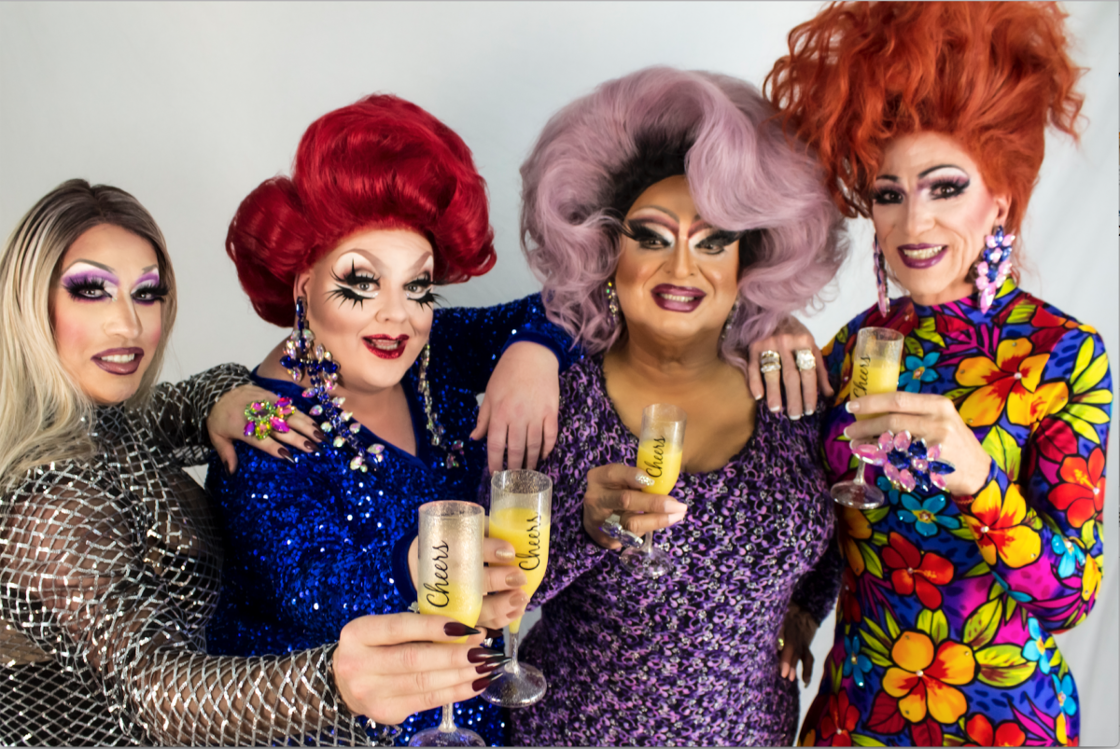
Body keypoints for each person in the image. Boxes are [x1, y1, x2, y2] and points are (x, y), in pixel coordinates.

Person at [0, 180, 493, 747]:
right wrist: (332, 683)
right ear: (32, 302)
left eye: (146, 293)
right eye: (91, 290)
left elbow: (168, 410)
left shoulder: (102, 418)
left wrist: (227, 395)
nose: (128, 326)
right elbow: (156, 692)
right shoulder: (50, 500)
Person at [764, 3, 1111, 745]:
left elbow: (1072, 597)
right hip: (859, 713)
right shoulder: (854, 346)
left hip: (1004, 721)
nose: (913, 223)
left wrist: (981, 479)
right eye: (889, 193)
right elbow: (828, 518)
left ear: (1002, 197)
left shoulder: (1062, 354)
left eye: (944, 186)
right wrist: (803, 606)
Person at [204, 94, 575, 746]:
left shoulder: (428, 353)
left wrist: (533, 350)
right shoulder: (264, 427)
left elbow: (584, 298)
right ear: (303, 284)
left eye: (418, 285)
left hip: (470, 718)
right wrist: (423, 567)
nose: (396, 316)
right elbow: (310, 593)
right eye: (360, 282)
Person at [501, 66, 847, 746]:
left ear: (749, 262)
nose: (682, 267)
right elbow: (495, 609)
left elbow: (838, 526)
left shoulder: (790, 395)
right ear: (605, 251)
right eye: (653, 237)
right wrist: (585, 530)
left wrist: (808, 609)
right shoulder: (557, 405)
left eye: (714, 241)